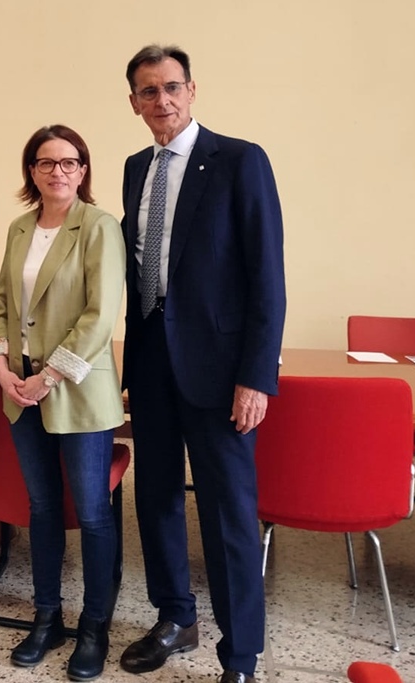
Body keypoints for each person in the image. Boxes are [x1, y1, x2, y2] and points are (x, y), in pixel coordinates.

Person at [118, 45, 285, 683]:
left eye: (171, 87)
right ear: (134, 102)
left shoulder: (240, 160)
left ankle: (240, 656)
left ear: (192, 91)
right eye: (148, 91)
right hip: (151, 362)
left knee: (227, 512)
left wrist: (256, 377)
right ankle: (175, 617)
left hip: (220, 371)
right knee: (156, 496)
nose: (161, 100)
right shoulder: (136, 167)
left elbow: (266, 276)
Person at [0, 125, 126, 681]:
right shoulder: (20, 227)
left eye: (69, 162)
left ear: (83, 170)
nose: (58, 172)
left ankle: (94, 626)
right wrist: (1, 365)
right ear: (32, 171)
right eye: (46, 163)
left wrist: (48, 376)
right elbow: (2, 302)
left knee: (91, 513)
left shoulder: (98, 226)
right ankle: (46, 616)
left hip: (77, 390)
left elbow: (100, 315)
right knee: (42, 507)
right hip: (20, 389)